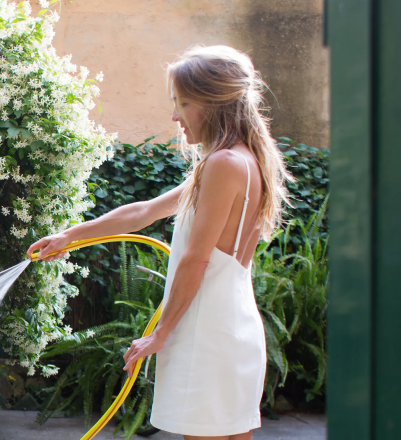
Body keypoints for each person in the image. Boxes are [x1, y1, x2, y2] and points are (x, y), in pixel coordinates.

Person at [27, 45, 293, 440]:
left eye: (184, 103)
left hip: (205, 330)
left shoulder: (223, 164)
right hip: (230, 328)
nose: (174, 116)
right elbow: (145, 211)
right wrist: (70, 235)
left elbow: (196, 259)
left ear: (214, 102)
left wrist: (160, 332)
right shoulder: (240, 160)